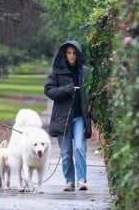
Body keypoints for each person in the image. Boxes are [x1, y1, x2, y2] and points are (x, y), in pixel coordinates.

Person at [44, 40, 91, 191]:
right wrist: (69, 89)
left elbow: (91, 93)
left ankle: (82, 180)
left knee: (79, 147)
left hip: (80, 117)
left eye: (74, 53)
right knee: (65, 153)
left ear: (78, 54)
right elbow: (49, 90)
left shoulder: (85, 72)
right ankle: (69, 181)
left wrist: (91, 110)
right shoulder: (56, 73)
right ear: (64, 54)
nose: (71, 56)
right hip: (62, 118)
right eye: (69, 53)